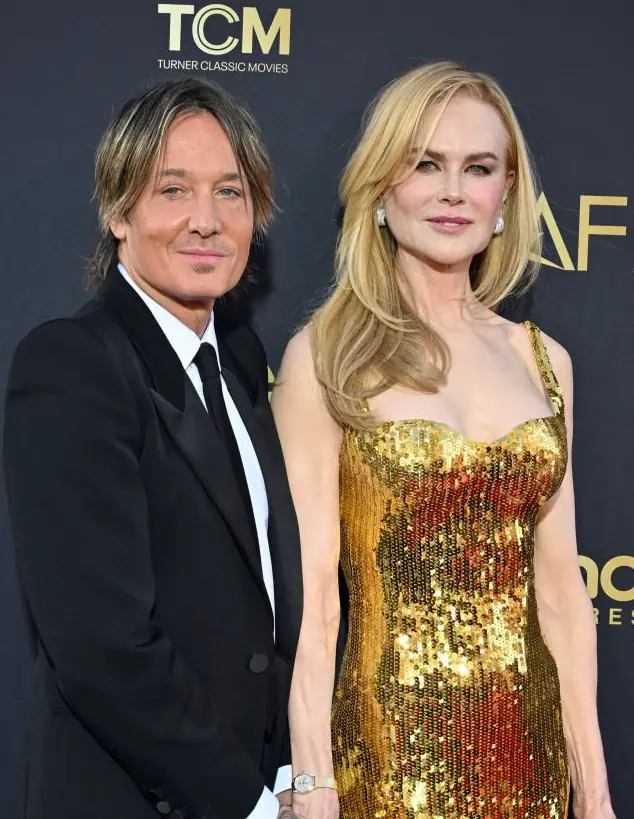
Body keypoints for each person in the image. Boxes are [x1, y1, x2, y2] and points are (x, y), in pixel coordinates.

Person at [272, 62, 615, 819]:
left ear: (505, 196)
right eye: (426, 163)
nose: (453, 191)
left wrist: (593, 791)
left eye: (479, 168)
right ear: (382, 189)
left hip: (530, 760)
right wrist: (312, 776)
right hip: (390, 760)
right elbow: (313, 598)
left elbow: (561, 593)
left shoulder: (545, 361)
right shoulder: (326, 358)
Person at [4, 78, 303, 819]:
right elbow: (103, 648)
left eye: (230, 193)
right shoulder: (73, 364)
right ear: (117, 211)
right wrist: (252, 805)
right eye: (173, 190)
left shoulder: (239, 357)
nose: (207, 221)